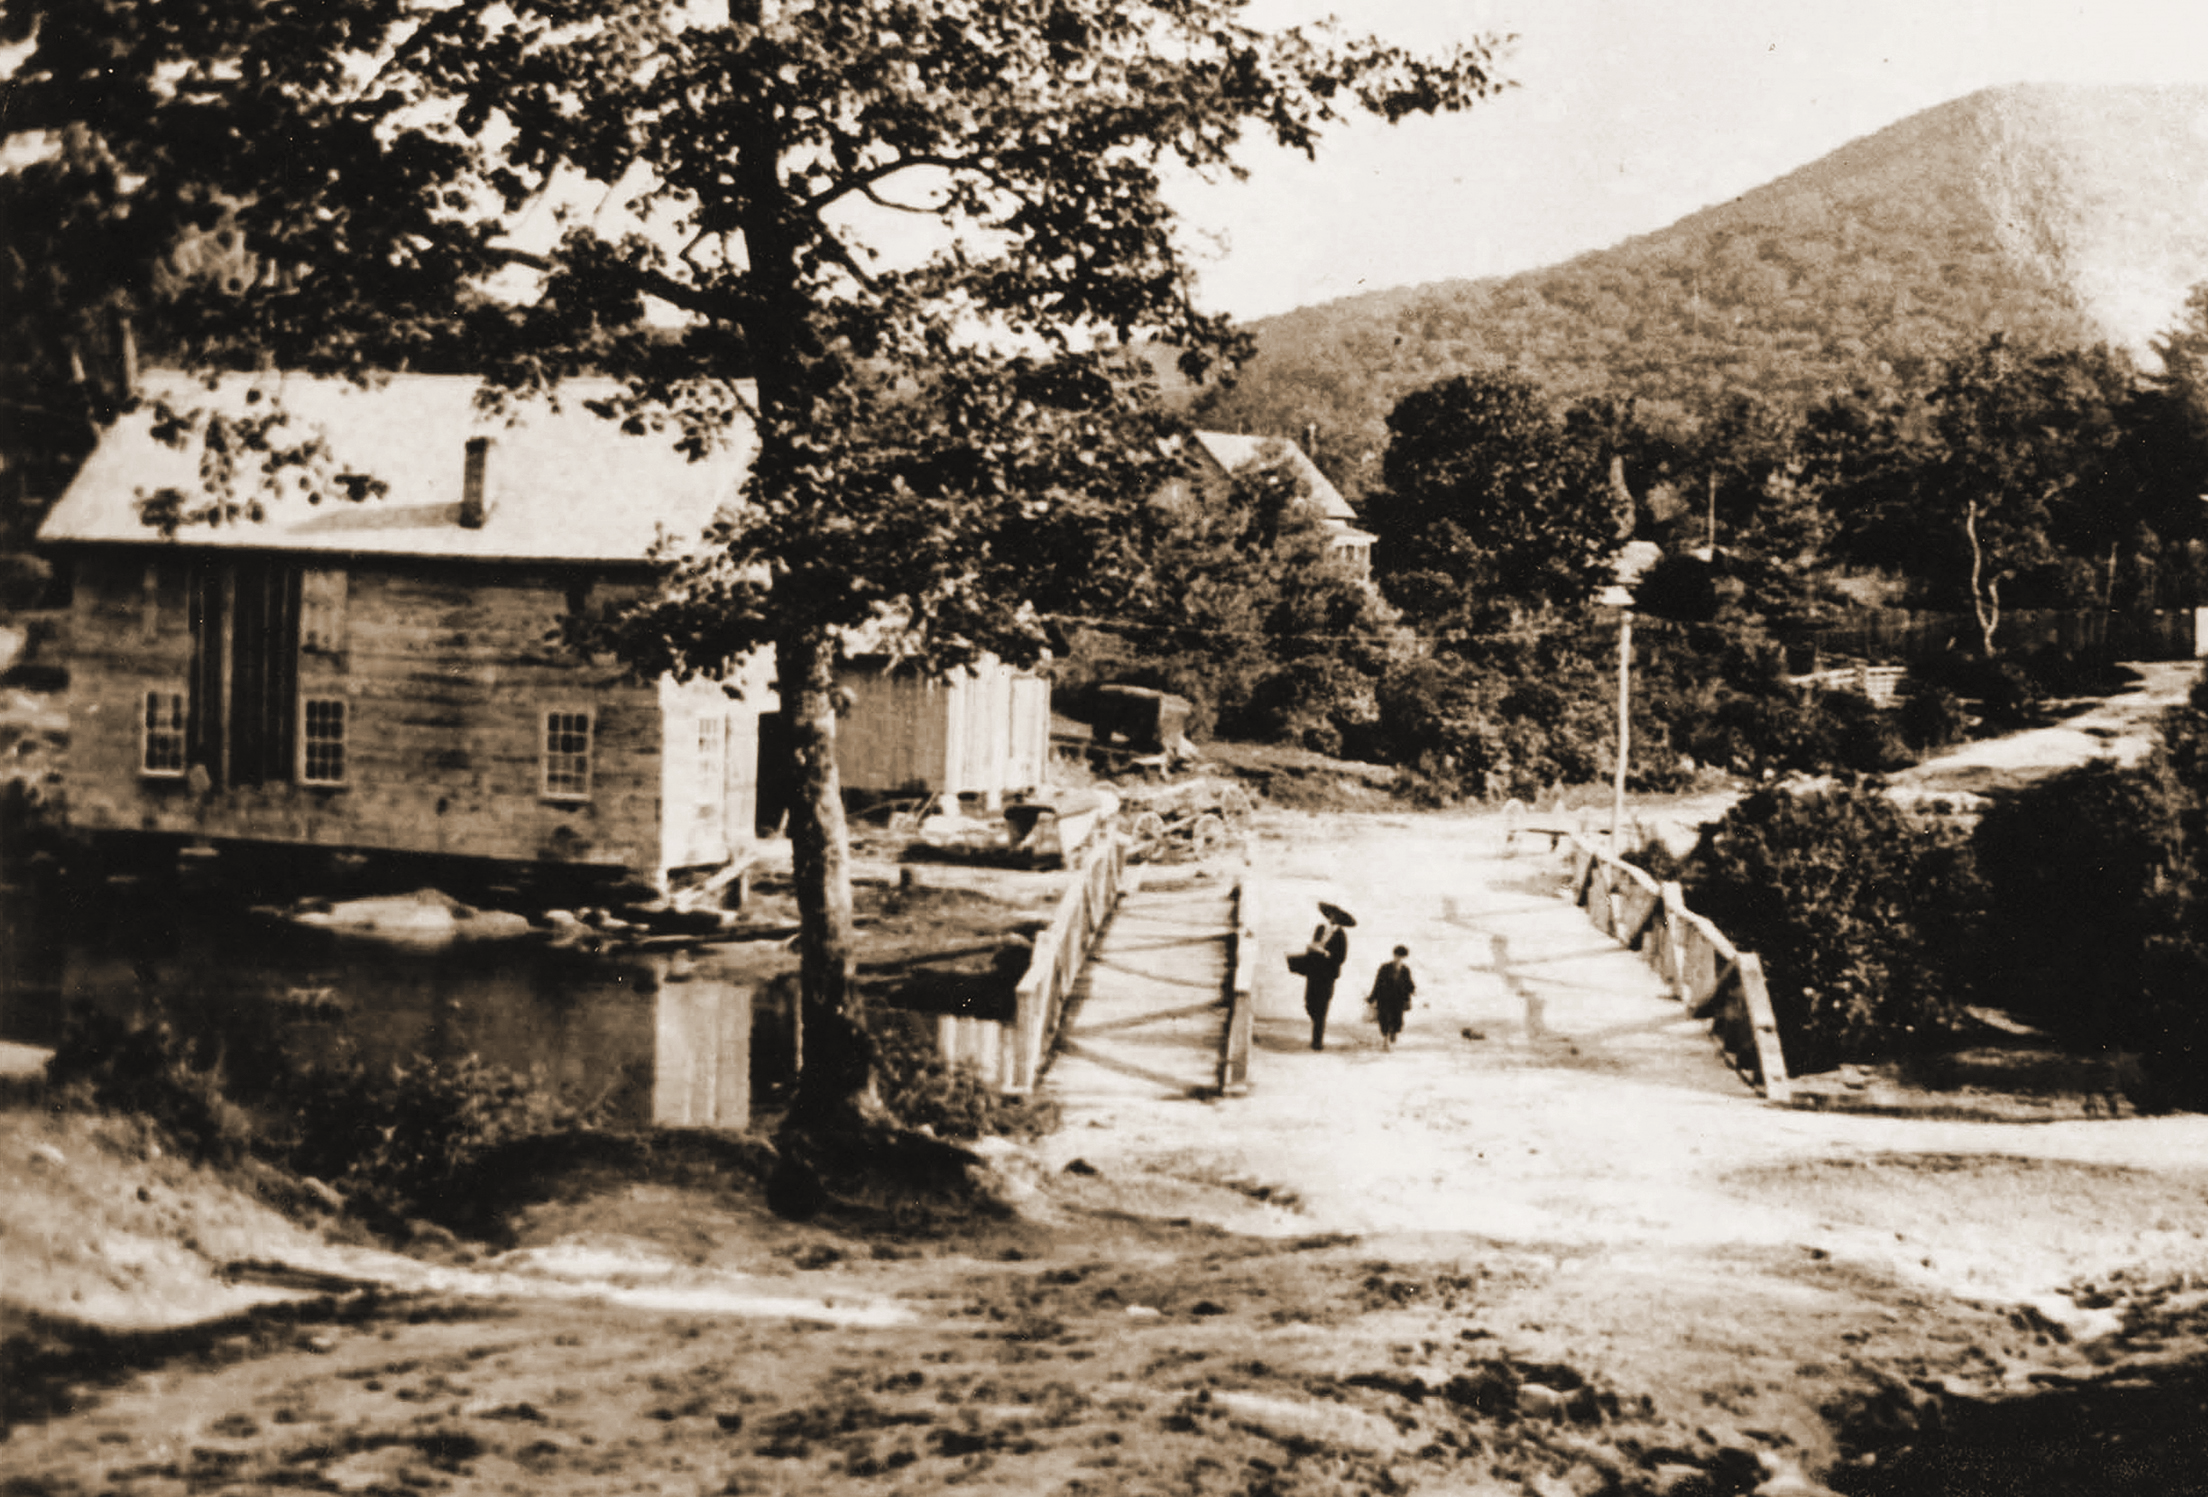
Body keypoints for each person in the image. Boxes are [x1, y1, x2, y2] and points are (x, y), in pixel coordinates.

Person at [1302, 909, 1350, 1050]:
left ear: (1340, 920)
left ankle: (1317, 1042)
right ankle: (1317, 1025)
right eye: (1331, 915)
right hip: (1313, 972)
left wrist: (1326, 953)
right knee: (1309, 1003)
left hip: (1327, 976)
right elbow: (1313, 944)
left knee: (1322, 1008)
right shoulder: (1320, 928)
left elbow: (1341, 957)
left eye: (1336, 916)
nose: (1332, 917)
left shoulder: (1341, 935)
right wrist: (1311, 949)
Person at [1368, 945, 1416, 1049]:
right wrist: (1372, 997)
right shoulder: (1384, 968)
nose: (1399, 959)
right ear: (1394, 955)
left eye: (1402, 957)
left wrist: (1413, 990)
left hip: (1398, 1000)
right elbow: (1377, 983)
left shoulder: (1405, 970)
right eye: (1398, 956)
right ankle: (1385, 1041)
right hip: (1385, 998)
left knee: (1397, 1020)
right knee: (1384, 1020)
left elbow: (1409, 982)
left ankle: (1394, 1032)